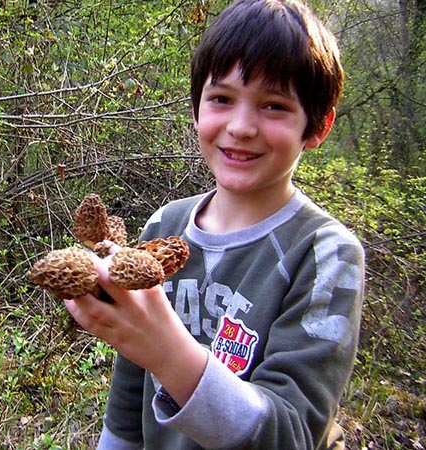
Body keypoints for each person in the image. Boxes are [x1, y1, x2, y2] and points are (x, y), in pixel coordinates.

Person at [64, 0, 365, 448]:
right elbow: (129, 393)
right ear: (196, 109)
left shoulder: (325, 253)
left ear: (318, 126)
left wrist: (168, 352)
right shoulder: (166, 224)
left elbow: (293, 433)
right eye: (222, 99)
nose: (241, 127)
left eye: (274, 105)